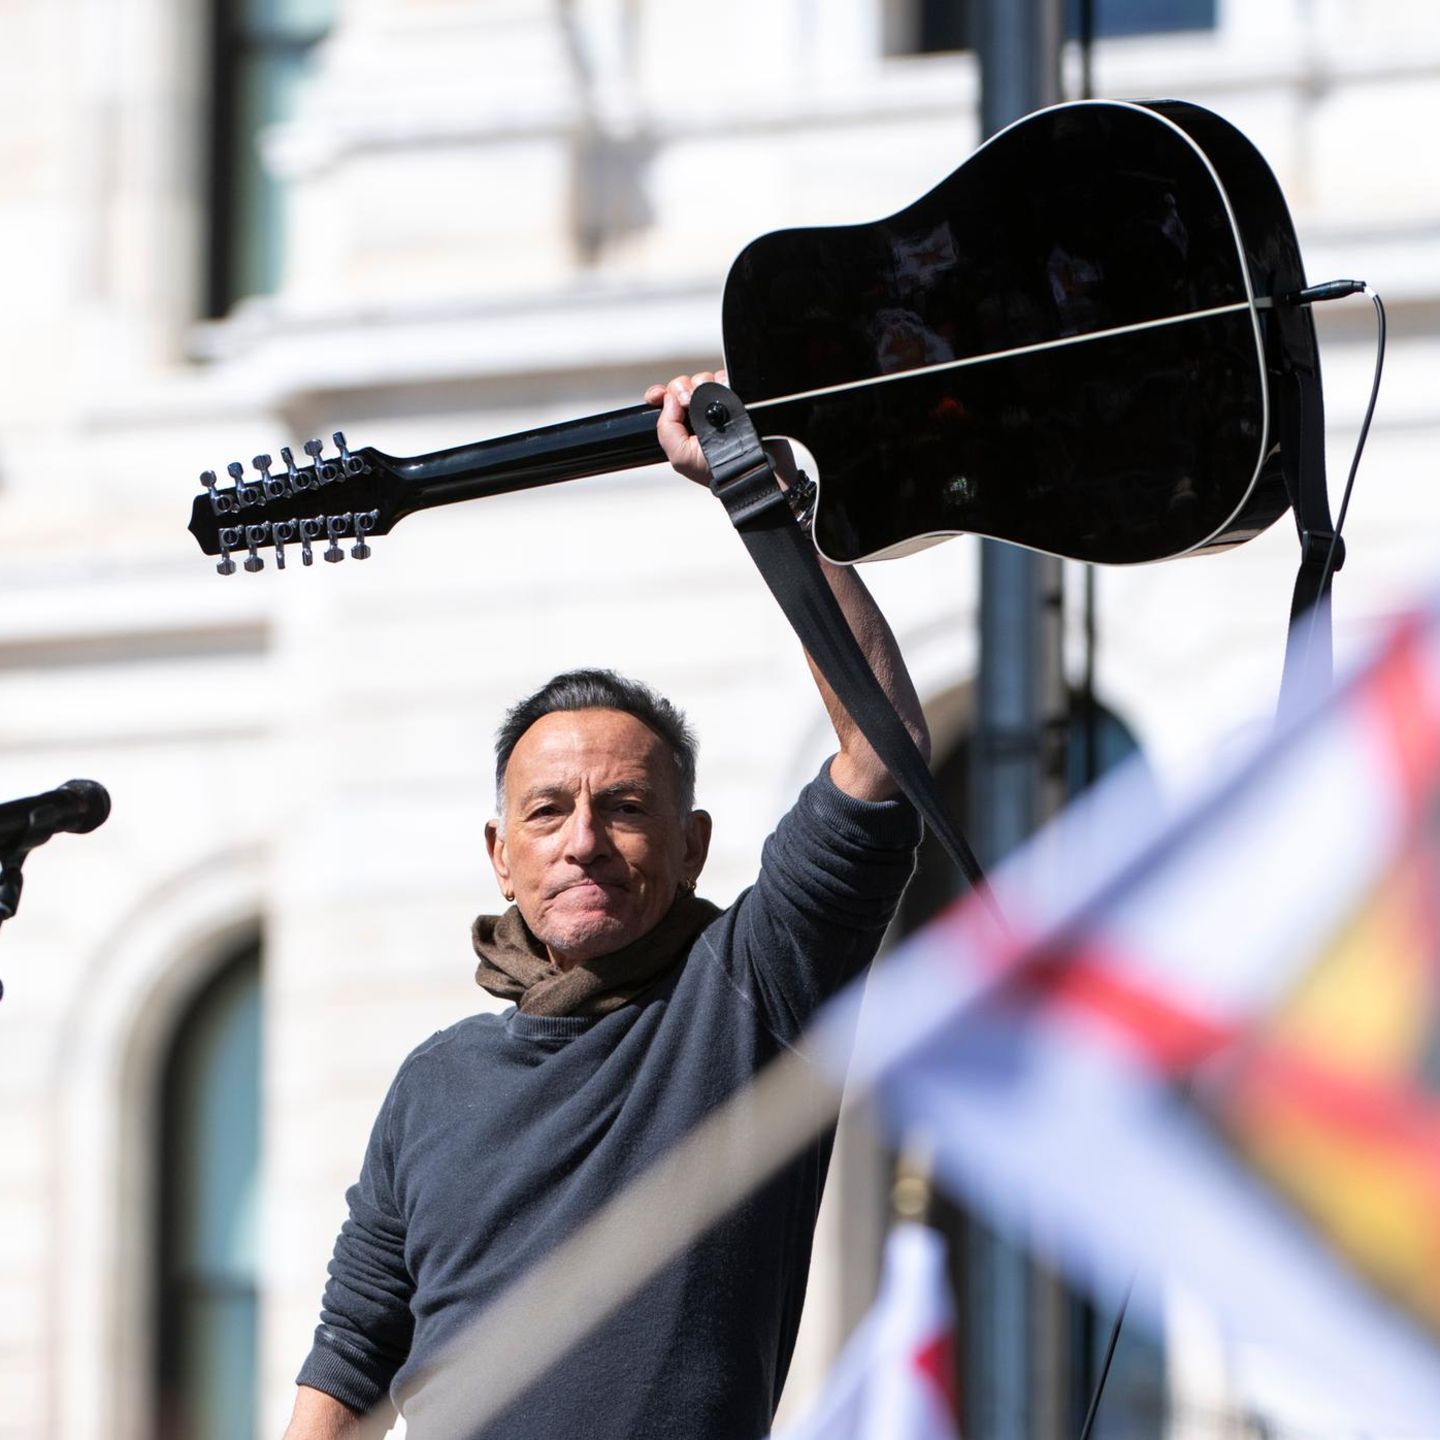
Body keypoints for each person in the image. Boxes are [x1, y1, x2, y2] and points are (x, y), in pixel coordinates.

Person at [282, 373, 930, 1440]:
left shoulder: (751, 993)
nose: (582, 840)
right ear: (500, 856)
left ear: (692, 847)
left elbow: (882, 755)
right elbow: (353, 1356)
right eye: (547, 812)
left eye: (624, 808)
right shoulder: (434, 1084)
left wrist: (759, 494)